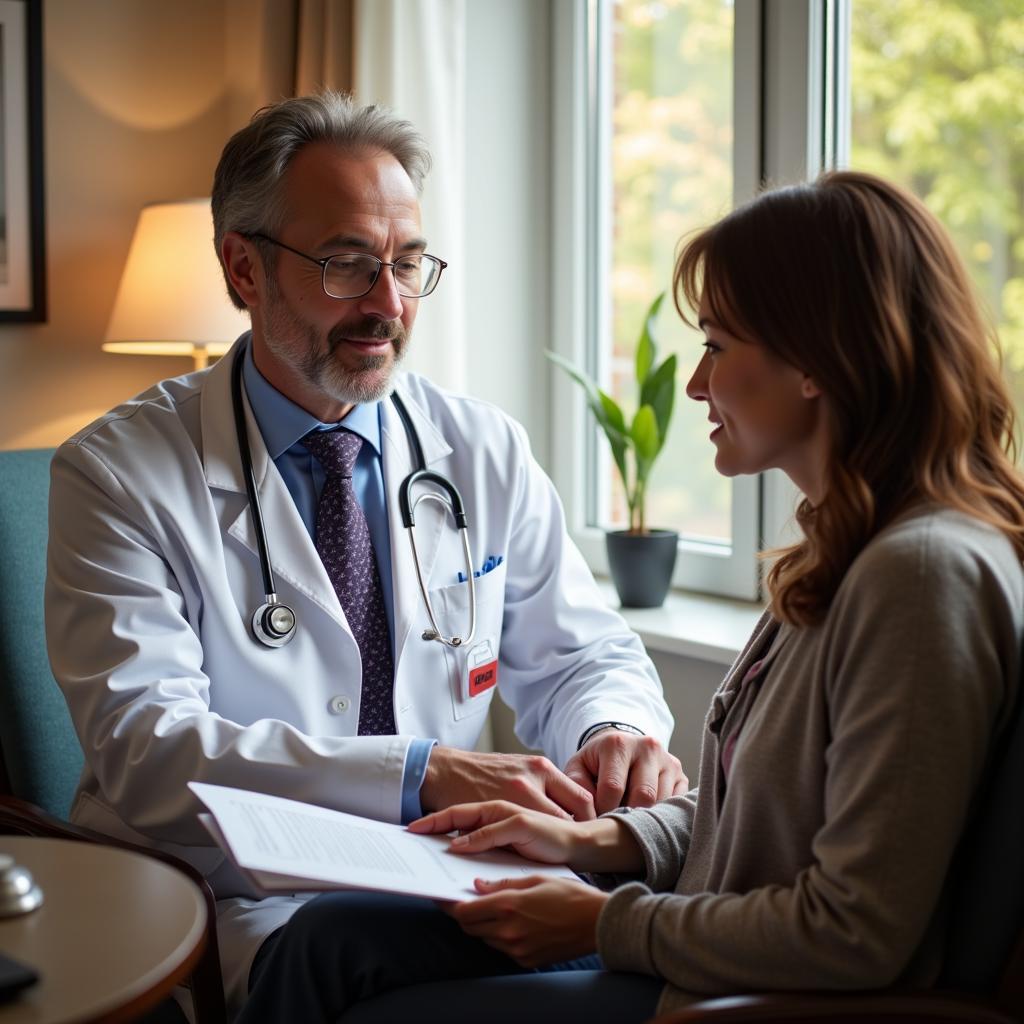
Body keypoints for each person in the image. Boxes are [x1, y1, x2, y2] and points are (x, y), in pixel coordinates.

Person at [234, 169, 1024, 1024]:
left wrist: (606, 919)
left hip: (744, 994)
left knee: (366, 996)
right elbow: (745, 823)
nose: (693, 385)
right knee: (332, 937)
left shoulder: (919, 577)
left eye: (718, 346)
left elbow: (856, 932)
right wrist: (590, 841)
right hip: (699, 938)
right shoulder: (847, 550)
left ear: (815, 360)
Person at [44, 92, 683, 1014]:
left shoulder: (480, 449)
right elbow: (150, 749)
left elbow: (583, 654)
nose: (387, 306)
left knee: (645, 941)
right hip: (247, 896)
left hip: (453, 872)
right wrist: (418, 770)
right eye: (346, 265)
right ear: (242, 269)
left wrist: (610, 735)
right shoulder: (119, 474)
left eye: (409, 263)